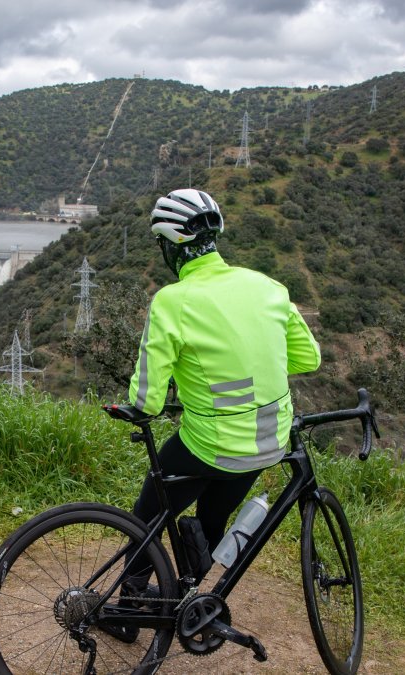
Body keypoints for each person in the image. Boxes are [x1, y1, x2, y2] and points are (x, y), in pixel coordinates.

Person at [123, 188, 321, 595]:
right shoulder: (268, 286)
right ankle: (189, 597)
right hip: (267, 444)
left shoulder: (173, 301)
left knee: (147, 516)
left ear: (170, 246)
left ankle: (131, 598)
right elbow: (308, 359)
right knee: (213, 516)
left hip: (209, 445)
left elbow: (147, 400)